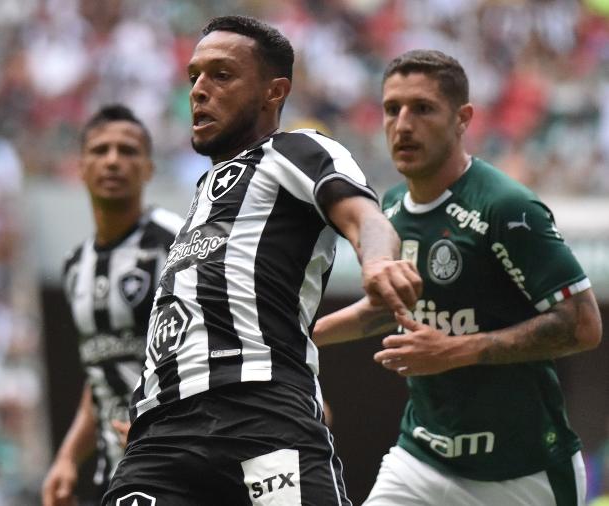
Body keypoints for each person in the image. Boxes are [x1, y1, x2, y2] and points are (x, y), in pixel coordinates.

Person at [102, 16, 421, 506]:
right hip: (159, 437)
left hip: (260, 415)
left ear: (274, 91)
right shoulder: (202, 193)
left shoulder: (296, 151)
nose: (199, 91)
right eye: (194, 77)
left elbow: (366, 217)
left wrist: (377, 262)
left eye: (221, 75)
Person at [313, 49, 603, 506]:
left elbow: (583, 324)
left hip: (522, 471)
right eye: (393, 109)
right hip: (421, 459)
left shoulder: (505, 207)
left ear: (463, 118)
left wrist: (454, 351)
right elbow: (388, 308)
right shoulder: (388, 208)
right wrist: (297, 337)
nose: (403, 124)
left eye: (423, 108)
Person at [42, 104, 184, 506]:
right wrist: (68, 457)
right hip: (116, 474)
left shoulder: (177, 243)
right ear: (81, 166)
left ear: (149, 169)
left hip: (181, 468)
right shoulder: (75, 267)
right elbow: (101, 373)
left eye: (128, 151)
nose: (113, 161)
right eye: (100, 150)